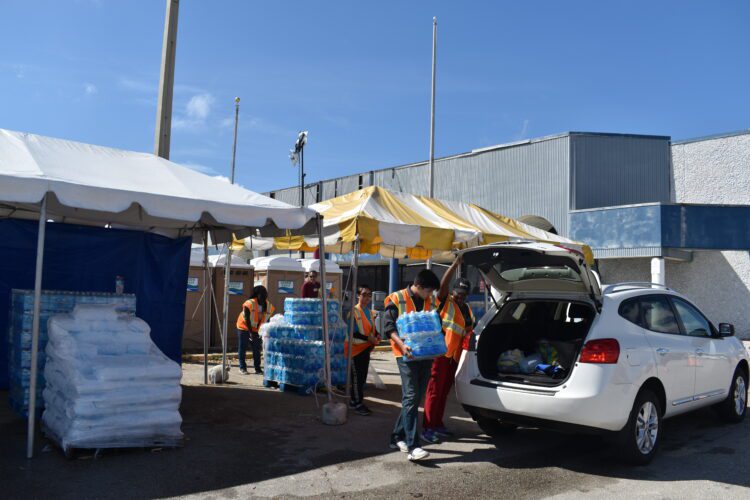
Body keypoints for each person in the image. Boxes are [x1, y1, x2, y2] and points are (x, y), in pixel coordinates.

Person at [385, 268, 441, 462]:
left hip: (426, 354)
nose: (430, 294)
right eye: (429, 290)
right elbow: (388, 327)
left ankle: (397, 436)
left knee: (415, 397)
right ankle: (413, 446)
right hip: (405, 354)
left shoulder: (430, 301)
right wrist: (402, 345)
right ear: (418, 286)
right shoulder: (397, 298)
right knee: (411, 396)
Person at [422, 256, 475, 443]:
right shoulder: (446, 301)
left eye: (463, 294)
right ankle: (427, 427)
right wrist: (455, 264)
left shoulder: (467, 309)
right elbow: (443, 284)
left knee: (444, 392)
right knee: (434, 391)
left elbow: (468, 331)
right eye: (458, 293)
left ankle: (437, 423)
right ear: (453, 291)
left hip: (454, 358)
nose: (460, 296)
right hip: (440, 354)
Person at [346, 284, 381, 416]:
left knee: (361, 378)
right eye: (364, 295)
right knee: (357, 378)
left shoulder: (369, 312)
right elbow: (353, 332)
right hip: (355, 349)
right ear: (358, 296)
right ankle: (357, 403)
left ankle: (354, 401)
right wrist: (368, 338)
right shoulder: (353, 312)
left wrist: (377, 334)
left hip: (365, 348)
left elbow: (371, 328)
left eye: (369, 295)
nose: (367, 297)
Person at [236, 285, 276, 375]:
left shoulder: (268, 306)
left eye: (266, 294)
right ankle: (242, 368)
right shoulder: (249, 303)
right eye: (263, 294)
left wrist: (265, 332)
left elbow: (267, 320)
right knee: (242, 347)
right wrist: (250, 332)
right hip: (244, 327)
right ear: (257, 295)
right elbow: (247, 319)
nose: (265, 296)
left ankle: (257, 369)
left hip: (256, 329)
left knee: (256, 349)